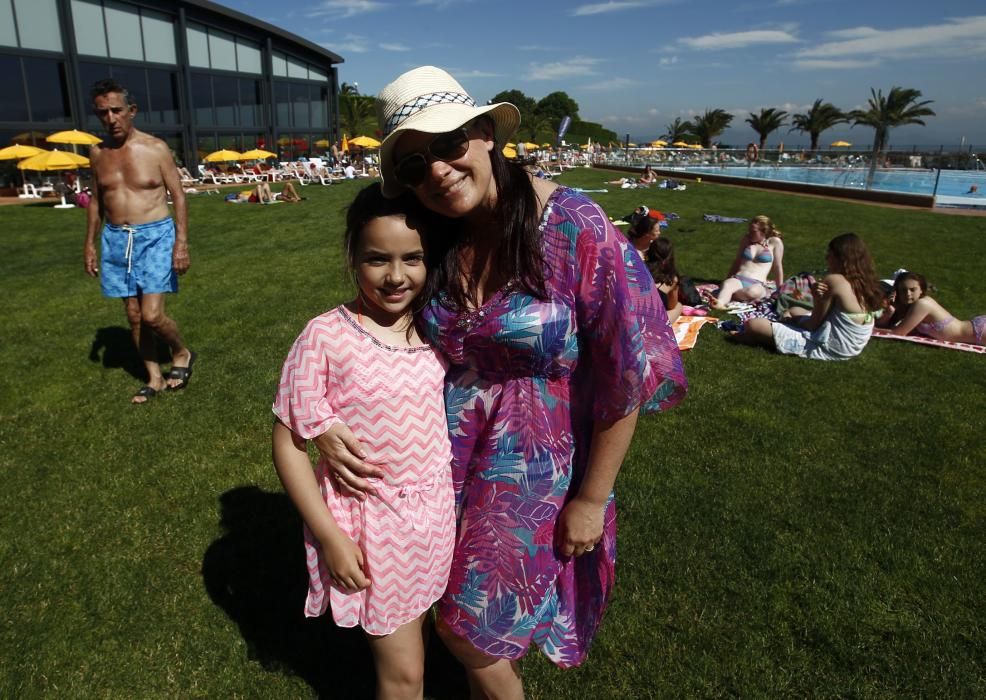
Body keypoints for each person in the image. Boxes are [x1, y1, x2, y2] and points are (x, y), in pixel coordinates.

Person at [316, 66, 687, 697]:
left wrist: (592, 499)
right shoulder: (436, 234)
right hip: (435, 457)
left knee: (468, 629)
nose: (435, 170)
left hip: (532, 466)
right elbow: (371, 335)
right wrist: (322, 421)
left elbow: (631, 368)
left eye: (447, 143)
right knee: (449, 609)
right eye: (412, 164)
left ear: (486, 133)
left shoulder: (574, 227)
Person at [271, 183, 454, 699]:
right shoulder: (325, 337)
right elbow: (288, 442)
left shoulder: (437, 325)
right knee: (404, 676)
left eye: (412, 258)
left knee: (424, 635)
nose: (396, 276)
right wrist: (329, 536)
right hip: (375, 531)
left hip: (438, 518)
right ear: (353, 257)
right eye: (378, 259)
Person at [83, 78, 195, 404]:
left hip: (156, 236)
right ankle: (154, 377)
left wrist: (181, 243)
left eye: (117, 110)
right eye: (103, 113)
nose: (111, 118)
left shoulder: (155, 149)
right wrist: (89, 244)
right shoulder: (97, 153)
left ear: (131, 111)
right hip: (117, 239)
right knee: (133, 315)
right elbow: (96, 202)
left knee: (152, 315)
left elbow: (179, 196)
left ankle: (181, 352)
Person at [732, 233, 883, 360]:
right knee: (795, 309)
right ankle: (770, 334)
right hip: (853, 344)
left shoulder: (834, 280)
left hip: (832, 345)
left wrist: (796, 318)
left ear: (840, 258)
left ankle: (762, 339)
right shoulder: (866, 281)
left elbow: (813, 324)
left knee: (754, 325)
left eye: (829, 255)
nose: (827, 259)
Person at [880, 272, 985, 345]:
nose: (908, 294)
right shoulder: (913, 304)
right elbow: (888, 326)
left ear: (921, 290)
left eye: (913, 290)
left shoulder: (922, 304)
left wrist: (871, 329)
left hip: (978, 332)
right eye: (903, 290)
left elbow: (898, 333)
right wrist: (890, 311)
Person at [714, 214, 785, 309]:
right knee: (727, 284)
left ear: (763, 231)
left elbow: (777, 267)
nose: (750, 233)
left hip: (757, 282)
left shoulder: (774, 242)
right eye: (749, 230)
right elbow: (737, 261)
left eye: (753, 231)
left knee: (751, 292)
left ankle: (731, 294)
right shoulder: (747, 239)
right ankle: (719, 304)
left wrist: (780, 289)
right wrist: (727, 278)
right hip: (739, 278)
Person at [646, 237, 682, 323]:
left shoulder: (638, 268)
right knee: (679, 306)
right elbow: (671, 306)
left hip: (628, 318)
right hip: (650, 323)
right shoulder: (671, 279)